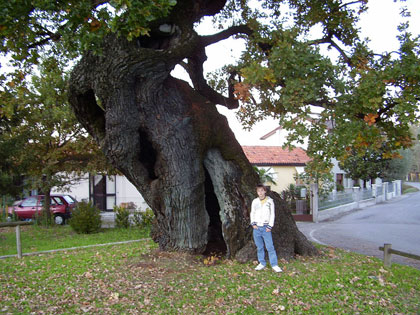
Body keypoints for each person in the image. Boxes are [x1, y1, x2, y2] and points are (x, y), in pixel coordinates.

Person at [250, 184, 283, 273]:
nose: (260, 192)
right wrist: (253, 223)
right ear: (257, 192)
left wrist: (270, 226)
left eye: (262, 190)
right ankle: (262, 263)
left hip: (266, 227)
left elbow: (272, 214)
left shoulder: (270, 201)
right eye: (258, 191)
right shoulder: (255, 201)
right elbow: (252, 212)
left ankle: (274, 264)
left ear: (265, 191)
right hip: (257, 227)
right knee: (259, 246)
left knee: (270, 247)